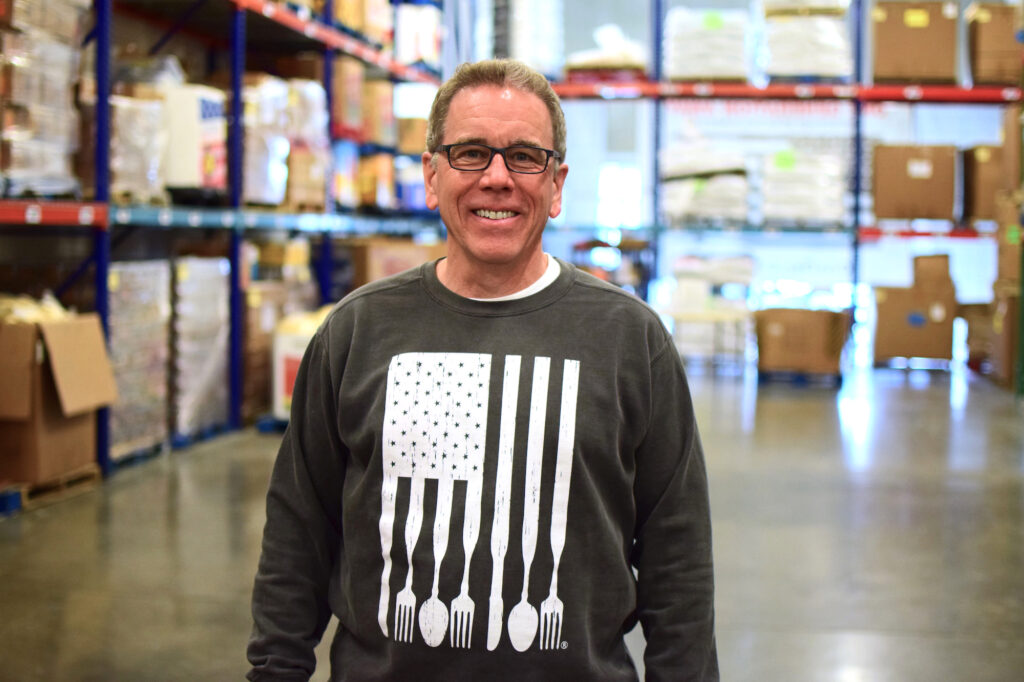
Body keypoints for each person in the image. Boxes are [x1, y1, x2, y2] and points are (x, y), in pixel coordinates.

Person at [247, 58, 718, 681]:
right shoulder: (357, 331)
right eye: (470, 153)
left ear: (556, 185)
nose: (497, 178)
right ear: (431, 175)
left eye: (525, 157)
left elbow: (676, 558)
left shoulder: (630, 340)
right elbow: (298, 534)